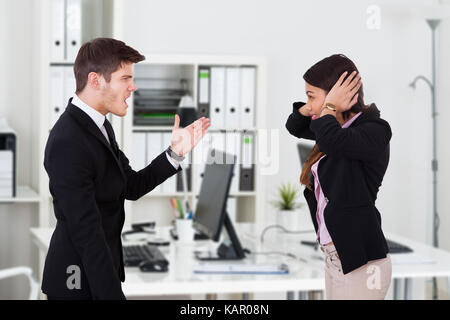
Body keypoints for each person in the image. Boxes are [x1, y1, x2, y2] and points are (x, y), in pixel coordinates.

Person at [42, 38, 210, 300]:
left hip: (96, 274)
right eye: (125, 78)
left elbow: (130, 185)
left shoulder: (100, 126)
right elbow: (87, 233)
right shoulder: (69, 140)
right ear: (96, 80)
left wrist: (175, 153)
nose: (133, 86)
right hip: (76, 281)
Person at [285, 54, 392, 300]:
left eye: (312, 96)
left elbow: (332, 142)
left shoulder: (374, 130)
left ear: (338, 95)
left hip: (362, 266)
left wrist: (329, 106)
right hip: (336, 257)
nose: (309, 105)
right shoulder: (338, 129)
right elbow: (295, 126)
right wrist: (320, 106)